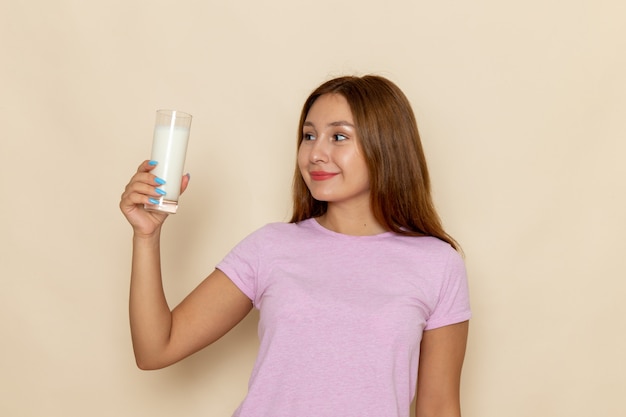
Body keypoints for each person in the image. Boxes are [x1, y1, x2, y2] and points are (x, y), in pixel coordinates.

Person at [120, 75, 471, 417]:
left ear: (386, 145)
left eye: (338, 136)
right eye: (308, 136)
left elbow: (438, 407)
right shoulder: (270, 247)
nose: (315, 153)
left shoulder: (437, 264)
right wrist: (146, 236)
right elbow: (155, 349)